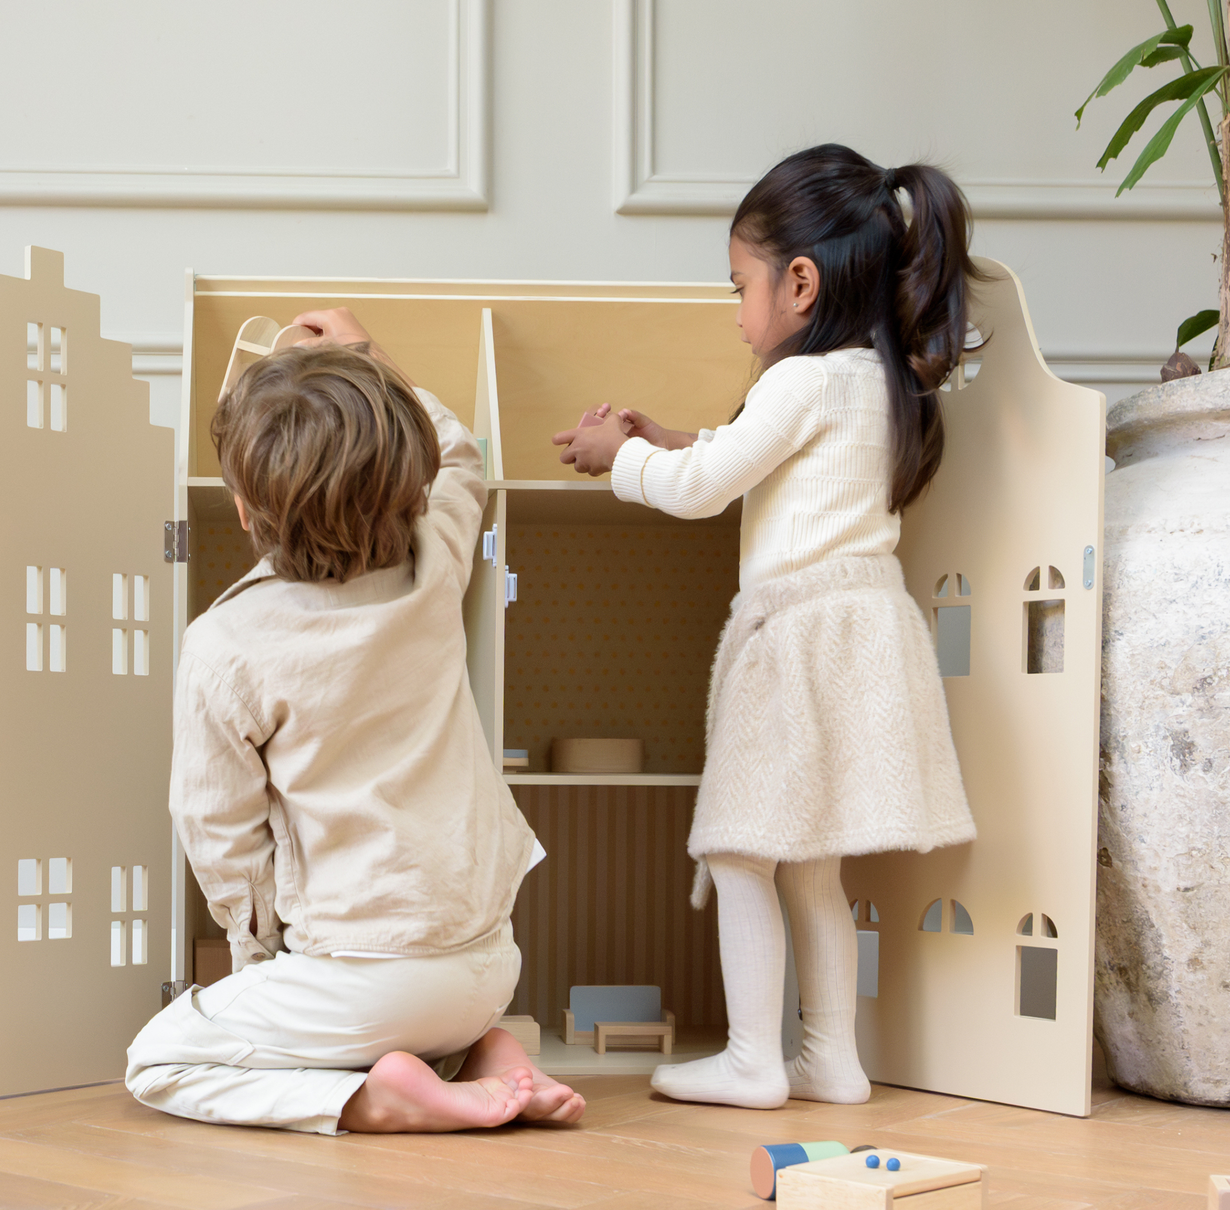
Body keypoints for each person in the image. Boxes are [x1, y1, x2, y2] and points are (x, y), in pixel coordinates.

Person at [552, 144, 978, 1108]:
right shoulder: (879, 381)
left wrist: (621, 459)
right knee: (811, 866)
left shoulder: (801, 381)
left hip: (794, 644)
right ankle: (830, 1056)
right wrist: (669, 437)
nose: (738, 314)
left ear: (799, 282)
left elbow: (707, 490)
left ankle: (753, 1057)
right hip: (860, 637)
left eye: (738, 285)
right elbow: (755, 460)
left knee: (740, 846)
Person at [126, 309, 584, 1134]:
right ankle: (485, 1052)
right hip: (489, 964)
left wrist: (258, 962)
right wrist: (366, 355)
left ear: (242, 507)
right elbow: (462, 457)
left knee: (158, 1060)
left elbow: (218, 834)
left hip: (368, 979)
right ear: (408, 483)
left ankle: (374, 1098)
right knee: (398, 1013)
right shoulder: (433, 568)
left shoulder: (225, 643)